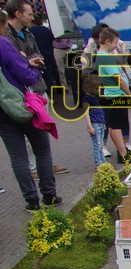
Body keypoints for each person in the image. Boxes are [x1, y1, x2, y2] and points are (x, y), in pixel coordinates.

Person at [0, 8, 55, 208]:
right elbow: (24, 74)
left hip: (2, 110)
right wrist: (35, 70)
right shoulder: (3, 42)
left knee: (18, 157)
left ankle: (31, 200)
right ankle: (49, 195)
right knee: (42, 150)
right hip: (23, 102)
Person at [5, 0, 67, 175]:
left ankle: (45, 164)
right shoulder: (6, 37)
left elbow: (36, 54)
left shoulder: (28, 33)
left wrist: (29, 59)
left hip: (38, 86)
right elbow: (14, 63)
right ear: (18, 14)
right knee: (28, 130)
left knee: (42, 127)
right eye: (29, 14)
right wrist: (27, 60)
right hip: (21, 90)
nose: (32, 17)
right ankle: (33, 168)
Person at [96, 27, 131, 164]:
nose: (116, 46)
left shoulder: (102, 56)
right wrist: (129, 94)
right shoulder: (106, 58)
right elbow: (118, 79)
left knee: (113, 125)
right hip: (117, 94)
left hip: (112, 94)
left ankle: (122, 151)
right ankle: (123, 154)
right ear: (107, 41)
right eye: (115, 42)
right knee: (116, 126)